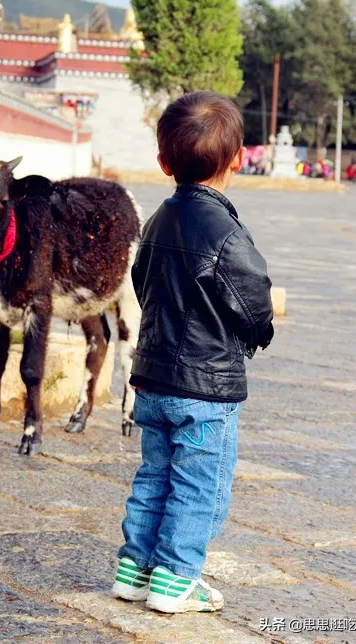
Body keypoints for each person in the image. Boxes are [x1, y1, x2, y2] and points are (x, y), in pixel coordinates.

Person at [111, 91, 274, 615]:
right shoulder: (224, 229)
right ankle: (177, 579)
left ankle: (134, 569)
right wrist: (259, 330)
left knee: (154, 475)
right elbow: (252, 294)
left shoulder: (158, 220)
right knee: (199, 486)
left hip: (154, 381)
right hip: (205, 389)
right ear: (239, 159)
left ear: (163, 162)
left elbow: (143, 283)